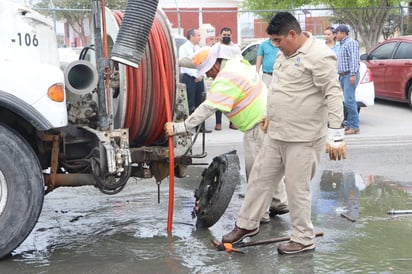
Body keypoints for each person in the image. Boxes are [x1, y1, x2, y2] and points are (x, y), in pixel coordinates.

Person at [221, 12, 346, 255]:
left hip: (303, 138)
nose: (275, 45)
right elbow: (278, 88)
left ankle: (303, 238)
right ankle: (246, 225)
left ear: (292, 33)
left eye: (278, 40)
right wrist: (269, 115)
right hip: (277, 133)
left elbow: (333, 93)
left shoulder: (318, 56)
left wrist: (336, 133)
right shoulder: (283, 53)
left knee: (296, 189)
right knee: (259, 179)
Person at [165, 43, 288, 222]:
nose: (207, 75)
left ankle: (260, 214)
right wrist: (172, 60)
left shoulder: (226, 79)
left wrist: (180, 127)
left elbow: (208, 108)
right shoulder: (236, 63)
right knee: (270, 167)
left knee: (257, 172)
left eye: (207, 70)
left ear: (215, 64)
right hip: (270, 119)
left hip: (257, 127)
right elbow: (195, 60)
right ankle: (278, 202)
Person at [179, 28, 212, 133]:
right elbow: (185, 64)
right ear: (191, 36)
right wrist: (195, 76)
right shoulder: (183, 48)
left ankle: (200, 127)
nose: (200, 37)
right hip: (189, 78)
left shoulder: (199, 48)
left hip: (200, 78)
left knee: (201, 103)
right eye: (198, 35)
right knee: (189, 103)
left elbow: (203, 63)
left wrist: (201, 75)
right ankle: (187, 128)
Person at [334, 24, 360, 135]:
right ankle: (350, 124)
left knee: (350, 101)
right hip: (343, 75)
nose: (335, 35)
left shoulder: (351, 43)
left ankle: (354, 126)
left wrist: (353, 74)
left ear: (343, 33)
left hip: (349, 75)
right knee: (347, 101)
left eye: (337, 33)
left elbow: (354, 59)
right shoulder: (342, 44)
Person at [214, 27, 241, 131]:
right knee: (218, 100)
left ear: (231, 36)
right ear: (220, 36)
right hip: (219, 77)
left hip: (232, 78)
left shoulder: (235, 48)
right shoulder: (217, 47)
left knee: (232, 100)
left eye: (228, 35)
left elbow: (239, 61)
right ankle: (218, 123)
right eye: (224, 35)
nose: (226, 36)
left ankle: (233, 122)